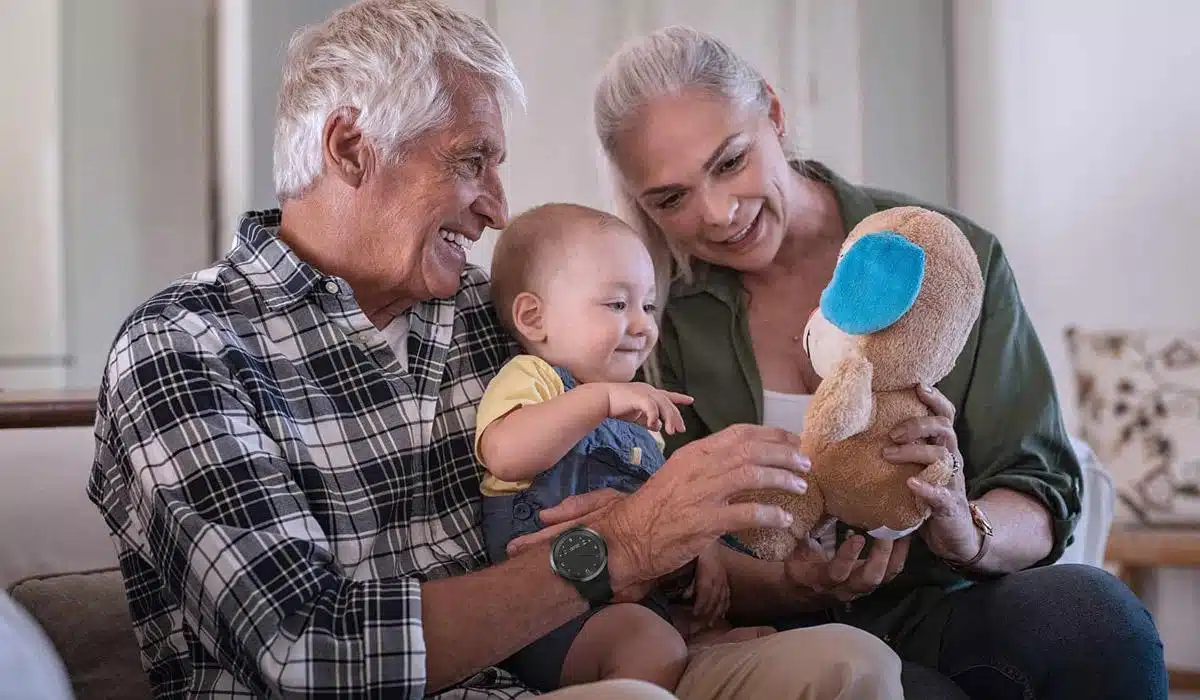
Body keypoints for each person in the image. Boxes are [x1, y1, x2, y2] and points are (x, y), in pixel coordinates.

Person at [86, 2, 904, 698]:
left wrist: (689, 555)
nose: (500, 210)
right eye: (472, 161)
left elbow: (621, 509)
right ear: (348, 148)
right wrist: (614, 547)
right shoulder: (185, 347)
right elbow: (307, 652)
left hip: (566, 667)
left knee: (847, 665)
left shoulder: (499, 317)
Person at [591, 24, 1170, 700]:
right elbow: (674, 549)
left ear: (775, 115)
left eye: (730, 162)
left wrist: (966, 529)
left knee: (1100, 618)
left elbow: (1039, 489)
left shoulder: (946, 257)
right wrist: (790, 581)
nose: (718, 213)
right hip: (779, 642)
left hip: (942, 606)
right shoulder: (652, 318)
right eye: (671, 199)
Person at [476, 203, 774, 692]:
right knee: (649, 645)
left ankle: (686, 651)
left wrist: (705, 552)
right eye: (618, 305)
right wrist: (600, 399)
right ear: (534, 318)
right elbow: (505, 455)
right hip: (553, 617)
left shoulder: (638, 424)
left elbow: (664, 511)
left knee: (745, 638)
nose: (642, 326)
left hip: (633, 604)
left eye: (649, 306)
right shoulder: (535, 379)